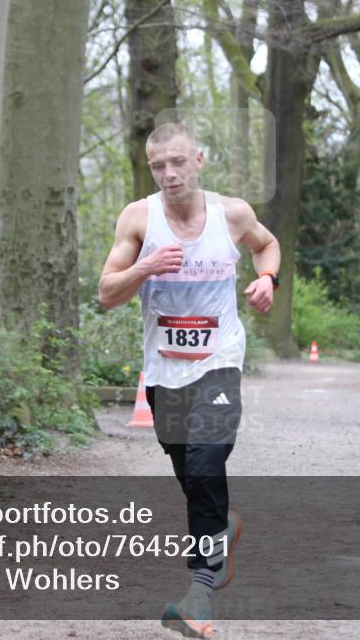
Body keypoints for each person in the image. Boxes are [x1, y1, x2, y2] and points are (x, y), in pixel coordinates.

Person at [98, 123, 280, 639]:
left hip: (219, 359)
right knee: (190, 471)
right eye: (158, 166)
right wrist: (146, 267)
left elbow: (268, 245)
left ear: (198, 158)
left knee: (205, 461)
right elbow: (107, 293)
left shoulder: (232, 214)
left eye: (178, 161)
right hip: (164, 368)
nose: (169, 173)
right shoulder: (138, 217)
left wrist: (267, 279)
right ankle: (223, 527)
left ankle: (198, 595)